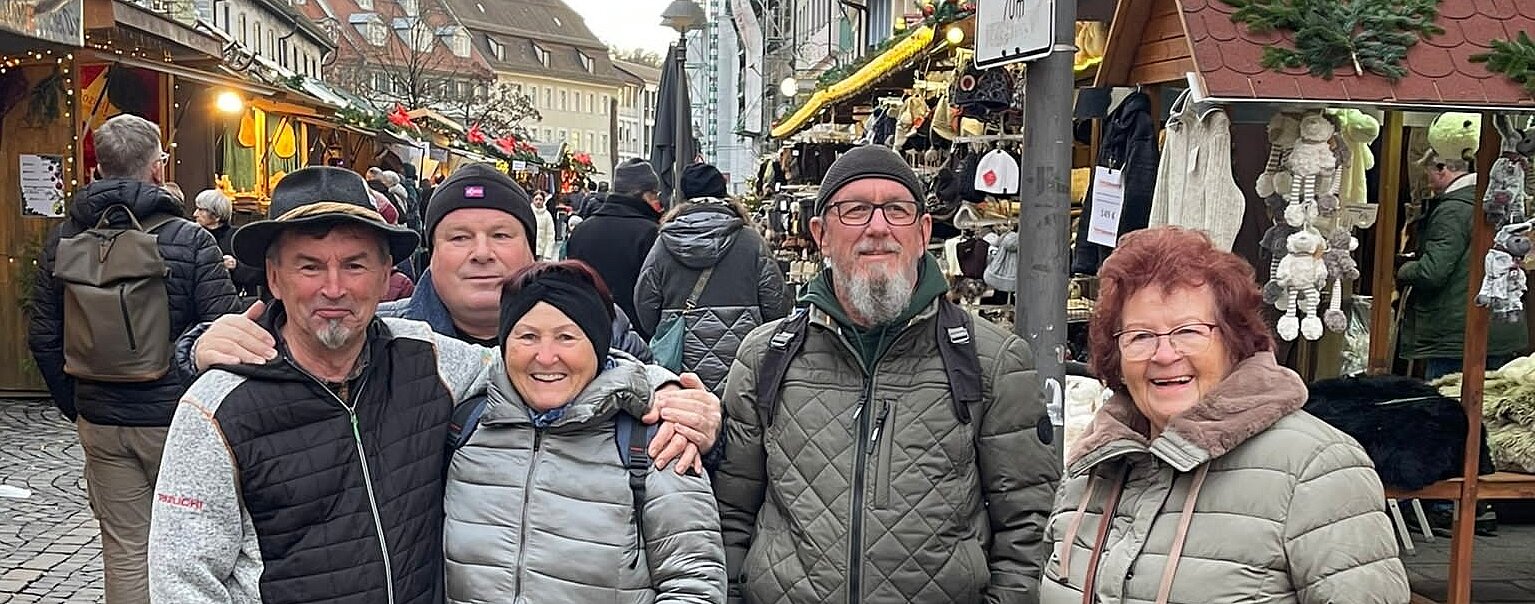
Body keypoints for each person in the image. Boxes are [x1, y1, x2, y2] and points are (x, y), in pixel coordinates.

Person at [176, 162, 722, 472]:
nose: (481, 253)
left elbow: (644, 389)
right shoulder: (389, 335)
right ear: (429, 256)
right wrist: (198, 344)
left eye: (501, 235)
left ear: (532, 250)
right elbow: (297, 338)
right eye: (459, 237)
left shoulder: (601, 326)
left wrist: (689, 405)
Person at [713, 145, 1059, 603]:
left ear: (923, 232)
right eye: (855, 210)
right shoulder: (766, 358)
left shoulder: (990, 361)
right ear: (821, 234)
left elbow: (1029, 529)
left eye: (896, 209)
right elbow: (730, 517)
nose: (878, 228)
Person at [148, 166, 507, 603]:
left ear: (386, 275)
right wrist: (195, 345)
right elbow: (181, 579)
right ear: (275, 278)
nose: (334, 288)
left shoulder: (427, 358)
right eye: (310, 267)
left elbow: (537, 369)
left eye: (354, 265)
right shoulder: (216, 408)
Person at [1040, 226, 1409, 603]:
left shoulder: (1316, 470)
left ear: (1234, 342)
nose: (1164, 355)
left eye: (1188, 331)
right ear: (1116, 355)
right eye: (1141, 336)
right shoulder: (1094, 464)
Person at [27, 113, 242, 604]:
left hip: (101, 420)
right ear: (157, 168)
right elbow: (223, 330)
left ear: (99, 168)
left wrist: (79, 404)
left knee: (125, 551)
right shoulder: (190, 240)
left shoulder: (63, 241)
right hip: (176, 422)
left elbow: (43, 335)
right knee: (191, 547)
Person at [444, 260, 725, 603]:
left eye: (566, 337)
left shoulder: (656, 441)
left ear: (597, 343)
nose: (546, 357)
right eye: (528, 336)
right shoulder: (466, 429)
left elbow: (694, 587)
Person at [633, 163, 790, 394]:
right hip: (743, 361)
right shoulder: (750, 241)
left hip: (681, 362)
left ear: (684, 197)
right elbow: (777, 306)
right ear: (724, 193)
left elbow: (645, 307)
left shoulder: (664, 243)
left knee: (690, 413)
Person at [1399, 151, 1528, 380]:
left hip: (1458, 334)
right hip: (1498, 325)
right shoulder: (1495, 200)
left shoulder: (1453, 209)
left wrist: (1403, 268)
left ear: (1442, 169)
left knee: (1445, 398)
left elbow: (1432, 272)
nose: (1426, 181)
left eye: (1428, 173)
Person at [567, 159, 666, 339]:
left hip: (589, 329)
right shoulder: (650, 232)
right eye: (654, 194)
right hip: (636, 335)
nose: (657, 200)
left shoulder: (582, 230)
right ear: (644, 194)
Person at [194, 188, 265, 297]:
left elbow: (258, 273)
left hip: (233, 299)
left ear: (216, 215)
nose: (195, 214)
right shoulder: (194, 237)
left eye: (201, 210)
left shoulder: (238, 237)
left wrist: (236, 266)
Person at [532, 189, 557, 260]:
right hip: (530, 251)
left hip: (541, 252)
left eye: (540, 199)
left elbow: (550, 235)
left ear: (543, 201)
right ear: (533, 200)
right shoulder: (529, 212)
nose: (538, 202)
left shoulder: (547, 215)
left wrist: (547, 254)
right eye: (536, 199)